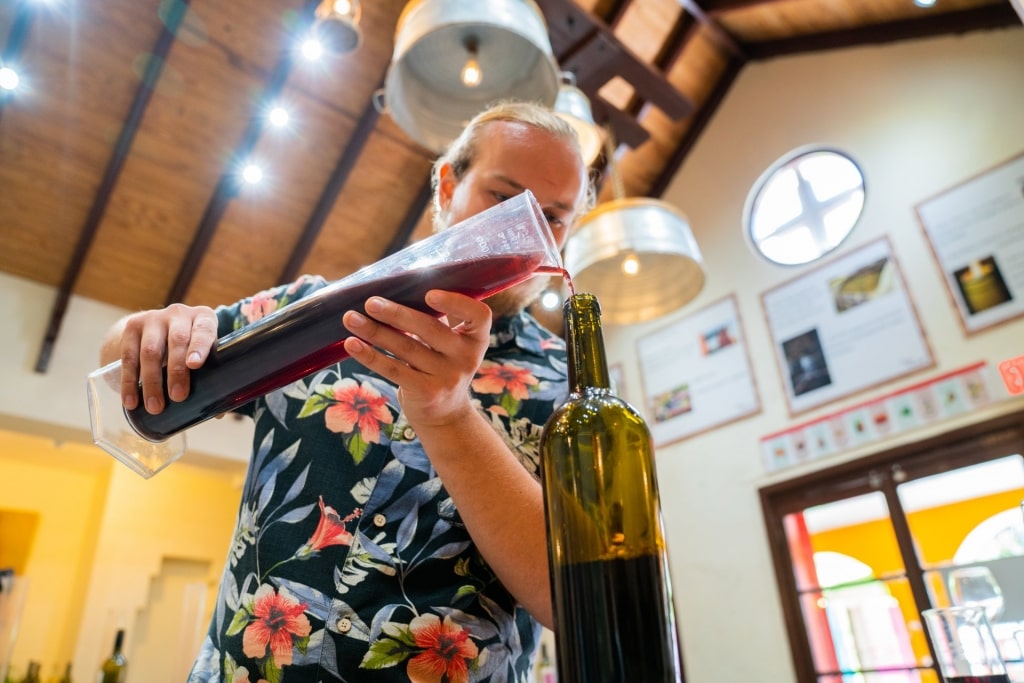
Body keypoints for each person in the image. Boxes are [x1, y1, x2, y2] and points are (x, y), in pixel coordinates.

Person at [99, 100, 594, 683]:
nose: (522, 231)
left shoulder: (573, 386)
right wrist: (141, 334)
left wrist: (450, 416)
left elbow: (578, 601)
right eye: (502, 197)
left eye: (553, 217)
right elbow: (127, 370)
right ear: (447, 184)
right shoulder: (311, 312)